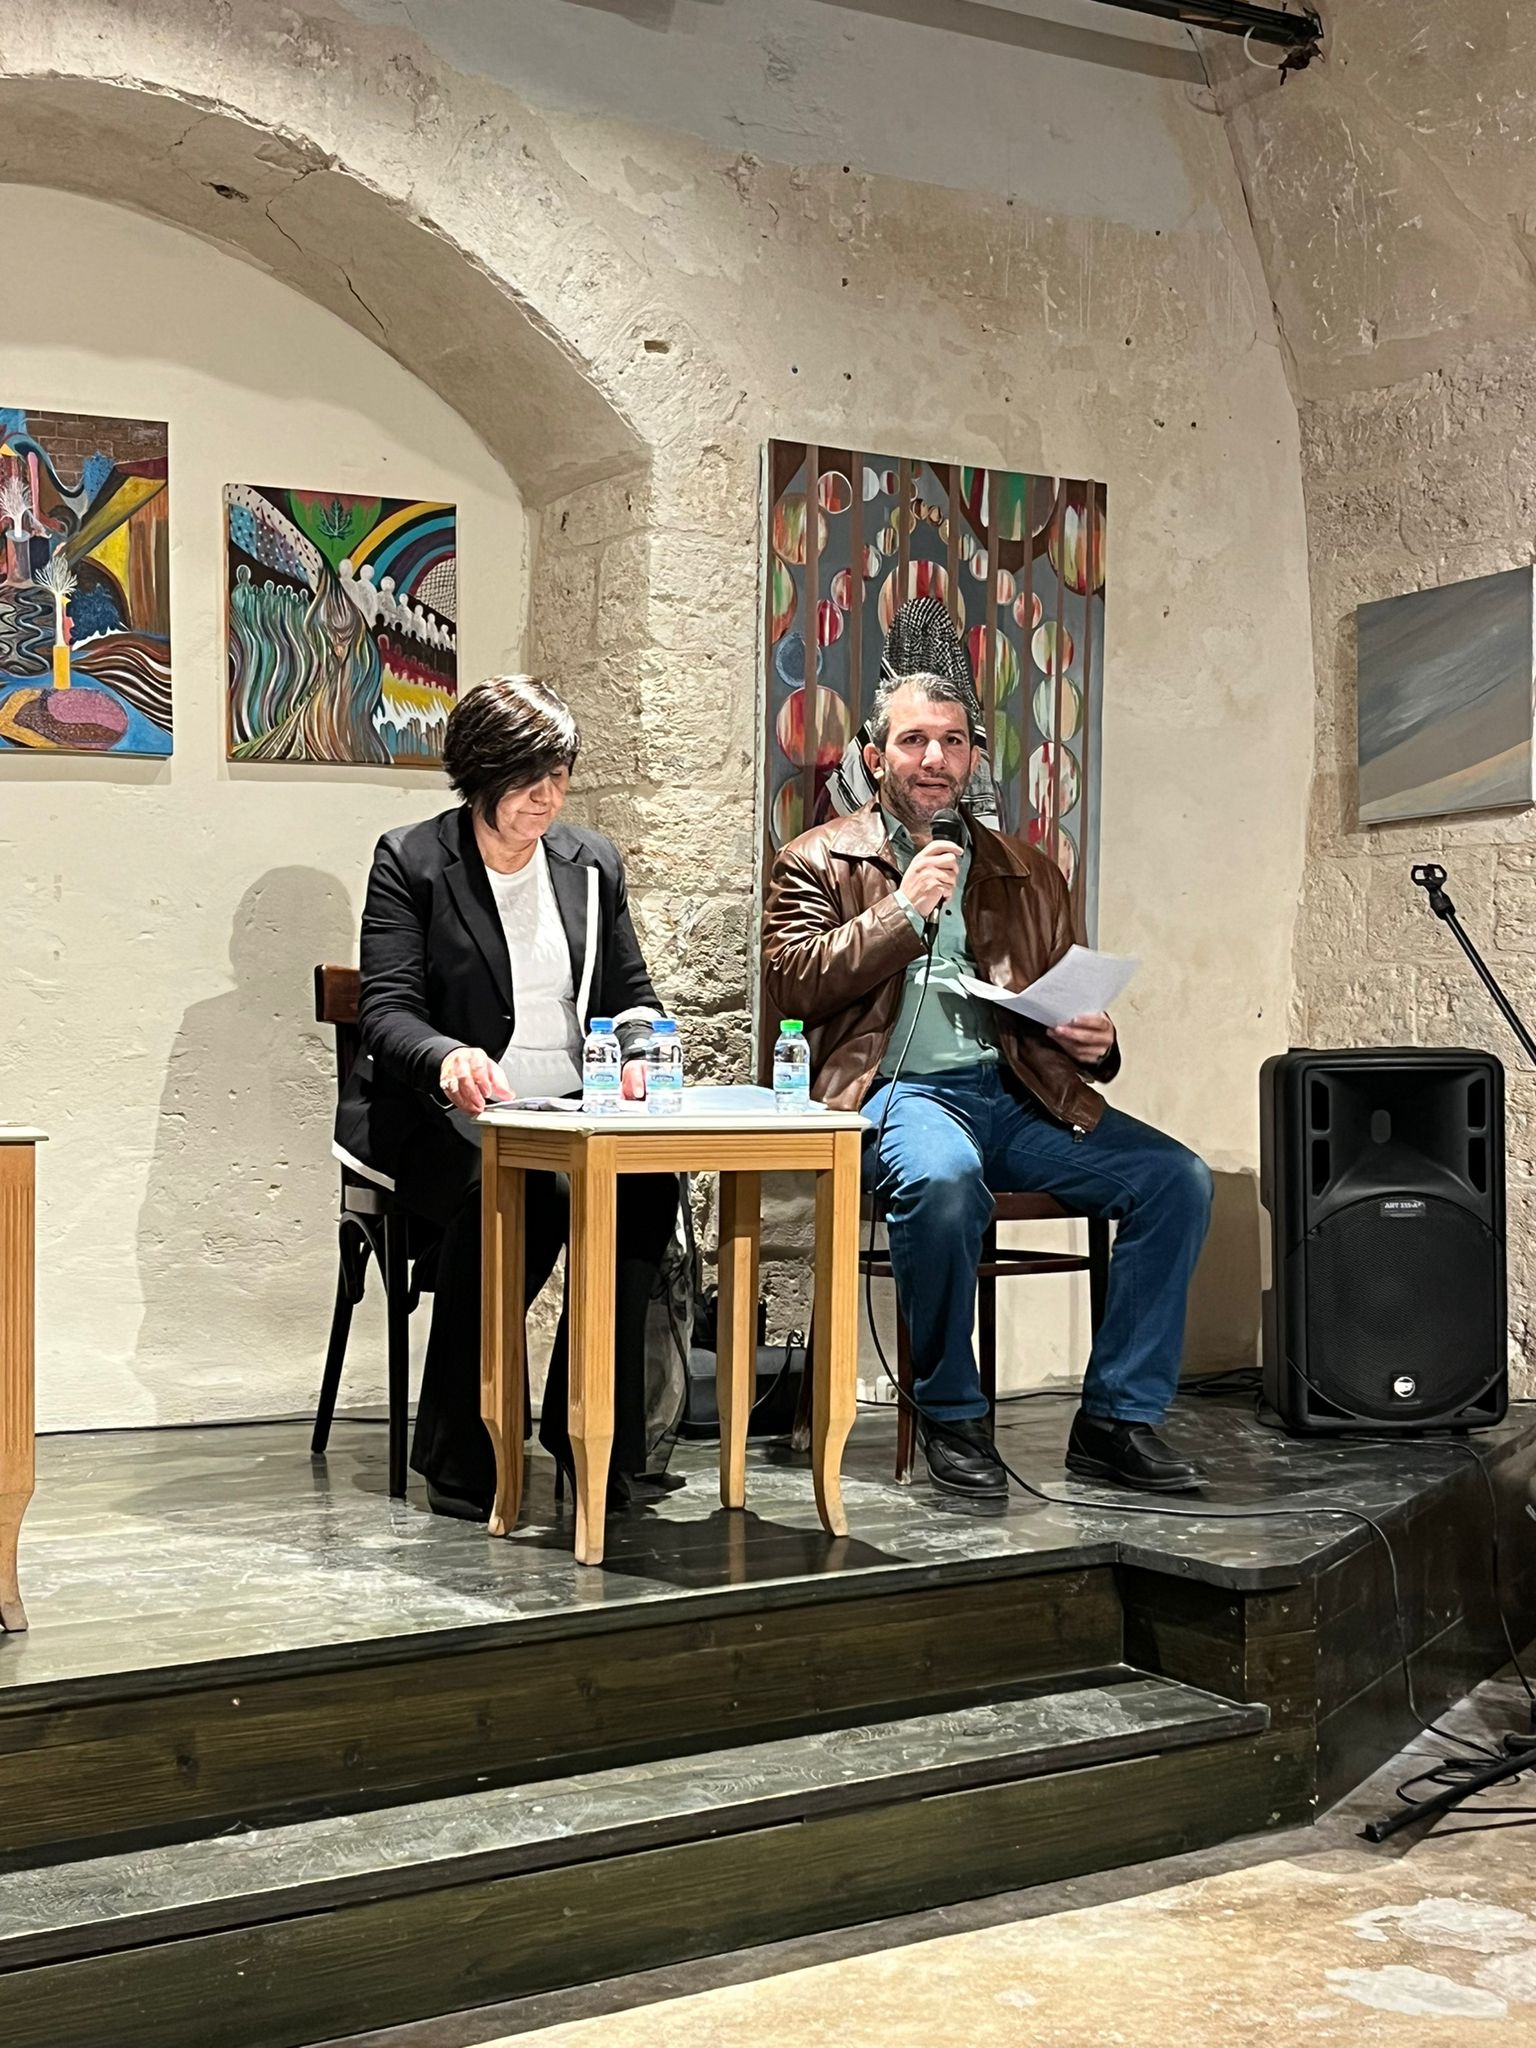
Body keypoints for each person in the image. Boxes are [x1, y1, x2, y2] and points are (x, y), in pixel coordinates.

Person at [761, 669, 1212, 1501]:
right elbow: (792, 985)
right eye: (914, 740)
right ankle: (952, 1413)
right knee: (943, 1179)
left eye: (953, 741)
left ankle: (1116, 1419)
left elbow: (1063, 993)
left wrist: (1096, 1041)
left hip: (1018, 1094)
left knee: (1175, 1179)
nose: (935, 758)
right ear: (876, 757)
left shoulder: (1027, 870)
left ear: (972, 758)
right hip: (893, 1094)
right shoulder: (817, 858)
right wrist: (902, 911)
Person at [334, 675, 679, 1521]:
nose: (546, 798)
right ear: (478, 775)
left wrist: (641, 1050)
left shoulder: (590, 863)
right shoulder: (413, 859)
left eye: (558, 777)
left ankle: (592, 1434)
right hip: (446, 1114)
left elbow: (632, 994)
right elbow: (387, 1010)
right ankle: (461, 1449)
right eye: (526, 779)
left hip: (570, 1106)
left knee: (646, 1187)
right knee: (521, 1190)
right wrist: (449, 1058)